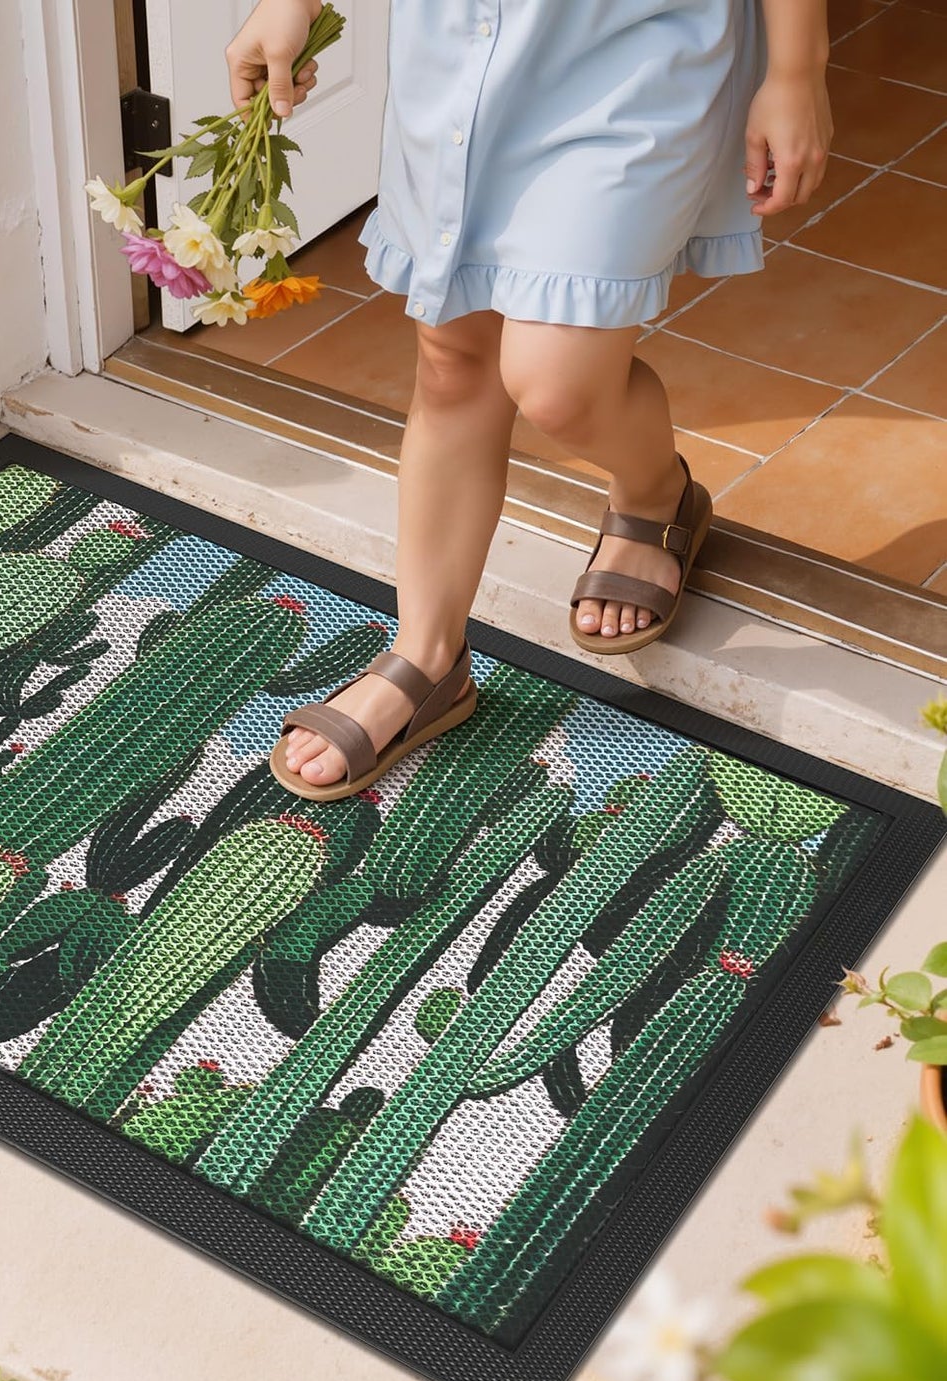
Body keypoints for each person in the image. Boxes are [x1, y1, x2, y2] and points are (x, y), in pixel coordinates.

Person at [226, 0, 832, 801]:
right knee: (452, 360)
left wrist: (796, 69)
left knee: (557, 384)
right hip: (457, 44)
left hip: (631, 52)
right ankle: (425, 657)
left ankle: (655, 490)